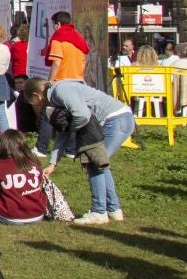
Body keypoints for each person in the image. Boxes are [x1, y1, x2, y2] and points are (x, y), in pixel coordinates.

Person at [23, 77, 134, 225]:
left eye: (34, 102)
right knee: (100, 164)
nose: (38, 106)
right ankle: (114, 210)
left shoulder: (61, 91)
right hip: (118, 119)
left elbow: (82, 115)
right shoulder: (57, 98)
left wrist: (75, 131)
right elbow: (63, 132)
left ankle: (99, 212)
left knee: (94, 163)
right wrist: (53, 163)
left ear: (37, 95)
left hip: (115, 120)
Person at [44, 12, 90, 84]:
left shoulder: (58, 39)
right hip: (78, 81)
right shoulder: (79, 39)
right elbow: (83, 63)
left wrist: (49, 82)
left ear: (58, 24)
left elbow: (56, 63)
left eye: (53, 24)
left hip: (62, 82)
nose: (52, 27)